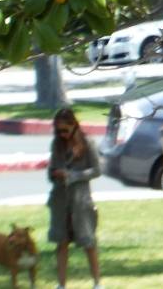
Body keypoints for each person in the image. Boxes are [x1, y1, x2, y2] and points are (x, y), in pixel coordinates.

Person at [48, 108, 103, 289]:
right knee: (61, 242)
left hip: (81, 201)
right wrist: (55, 174)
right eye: (58, 131)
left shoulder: (88, 143)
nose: (61, 134)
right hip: (60, 200)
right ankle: (61, 284)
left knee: (88, 241)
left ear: (74, 125)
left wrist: (73, 175)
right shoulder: (56, 144)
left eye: (65, 130)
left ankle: (97, 283)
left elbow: (97, 171)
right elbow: (51, 169)